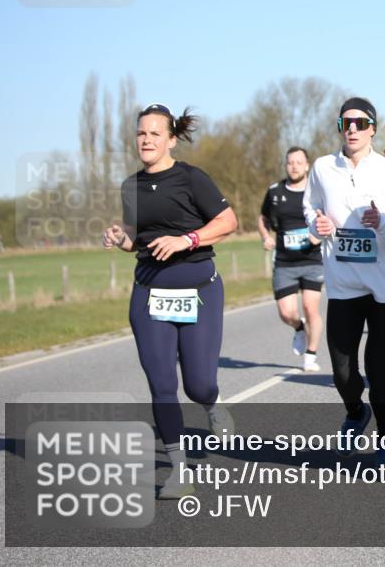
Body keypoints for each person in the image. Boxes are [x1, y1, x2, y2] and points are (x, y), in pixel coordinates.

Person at [103, 103, 238, 500]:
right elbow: (136, 239)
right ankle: (179, 470)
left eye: (154, 134)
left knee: (198, 384)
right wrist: (120, 238)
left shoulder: (192, 179)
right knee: (162, 384)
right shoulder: (131, 186)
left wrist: (187, 239)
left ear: (171, 139)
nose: (146, 140)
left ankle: (212, 406)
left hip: (198, 290)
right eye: (141, 133)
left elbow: (228, 223)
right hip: (149, 293)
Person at [303, 97, 385, 469]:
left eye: (360, 122)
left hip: (384, 285)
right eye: (345, 122)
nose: (352, 128)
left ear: (372, 128)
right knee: (342, 370)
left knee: (376, 365)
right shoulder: (321, 168)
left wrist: (380, 223)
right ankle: (356, 412)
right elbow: (310, 208)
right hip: (343, 283)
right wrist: (316, 227)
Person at [258, 147, 324, 372]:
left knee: (310, 307)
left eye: (299, 162)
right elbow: (263, 218)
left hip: (312, 259)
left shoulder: (315, 193)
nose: (294, 166)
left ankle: (311, 355)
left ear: (307, 165)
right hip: (285, 262)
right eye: (290, 162)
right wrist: (266, 236)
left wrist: (319, 234)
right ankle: (298, 328)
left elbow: (329, 217)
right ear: (286, 165)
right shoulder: (275, 192)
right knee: (286, 313)